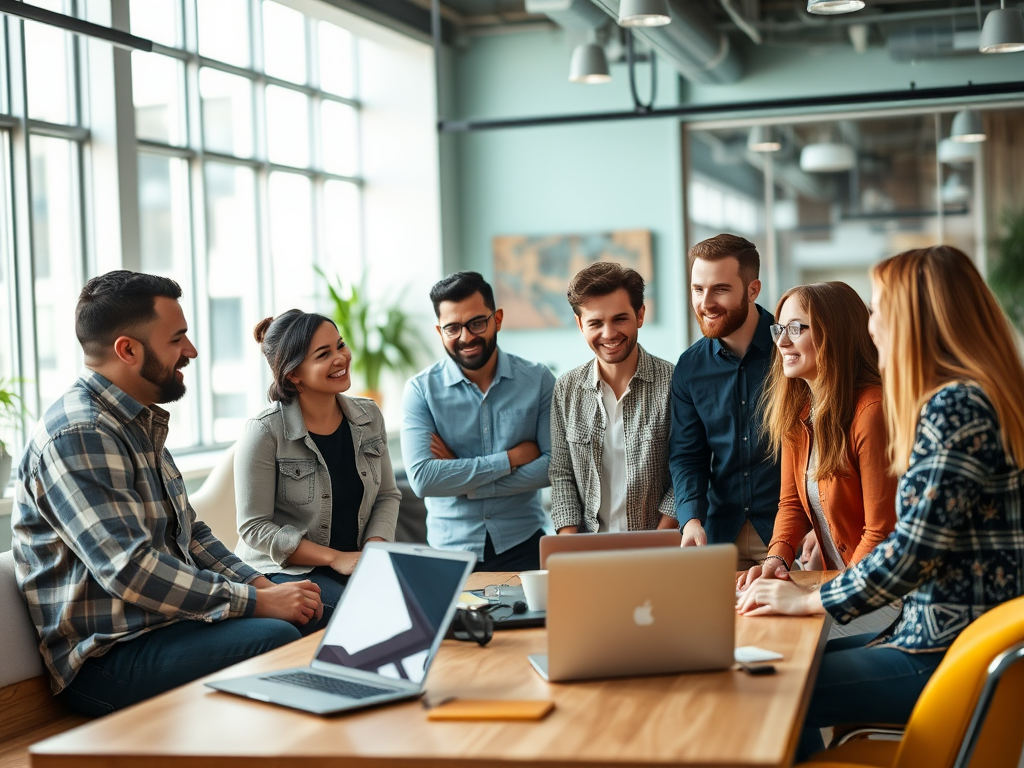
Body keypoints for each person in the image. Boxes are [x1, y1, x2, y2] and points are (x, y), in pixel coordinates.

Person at [738, 246, 1024, 760]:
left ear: (917, 321)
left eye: (880, 312)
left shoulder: (954, 406)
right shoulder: (977, 397)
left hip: (942, 652)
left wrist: (808, 599)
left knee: (766, 683)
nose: (871, 328)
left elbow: (911, 548)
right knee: (777, 664)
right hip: (948, 640)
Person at [12, 271, 321, 716]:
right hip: (110, 659)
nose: (191, 351)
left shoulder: (137, 419)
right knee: (277, 637)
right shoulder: (81, 433)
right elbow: (131, 570)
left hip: (168, 627)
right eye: (178, 339)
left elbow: (189, 532)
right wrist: (256, 603)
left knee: (312, 612)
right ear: (128, 349)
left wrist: (260, 584)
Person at [738, 282, 899, 635]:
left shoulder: (872, 411)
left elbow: (880, 534)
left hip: (879, 598)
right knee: (751, 620)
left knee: (774, 639)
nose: (781, 342)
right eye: (779, 329)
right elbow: (792, 504)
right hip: (841, 589)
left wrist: (822, 597)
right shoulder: (800, 412)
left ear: (835, 334)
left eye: (795, 329)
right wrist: (775, 561)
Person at [234, 310, 400, 633]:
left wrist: (374, 551)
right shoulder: (265, 431)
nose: (341, 358)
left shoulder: (369, 417)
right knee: (369, 617)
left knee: (423, 605)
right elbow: (253, 527)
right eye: (324, 354)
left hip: (351, 565)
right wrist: (336, 558)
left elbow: (387, 495)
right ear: (294, 373)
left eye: (340, 346)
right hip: (284, 572)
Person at [401, 271, 554, 571]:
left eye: (476, 323)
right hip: (450, 550)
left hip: (524, 543)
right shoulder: (420, 391)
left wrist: (461, 480)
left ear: (497, 318)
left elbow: (554, 466)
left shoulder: (538, 380)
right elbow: (423, 479)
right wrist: (510, 459)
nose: (466, 337)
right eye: (452, 328)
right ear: (439, 331)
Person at [669, 234, 781, 570]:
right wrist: (690, 519)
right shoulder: (689, 367)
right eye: (697, 289)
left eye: (720, 289)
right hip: (717, 536)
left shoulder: (789, 352)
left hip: (787, 538)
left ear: (752, 290)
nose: (705, 302)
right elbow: (688, 455)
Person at [549, 262, 676, 534]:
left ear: (640, 315)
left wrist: (659, 541)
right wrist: (570, 546)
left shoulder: (674, 382)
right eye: (595, 322)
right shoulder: (566, 388)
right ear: (580, 324)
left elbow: (688, 470)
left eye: (620, 319)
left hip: (660, 546)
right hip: (588, 550)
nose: (608, 334)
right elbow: (562, 475)